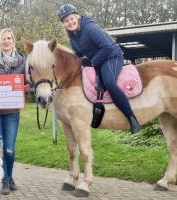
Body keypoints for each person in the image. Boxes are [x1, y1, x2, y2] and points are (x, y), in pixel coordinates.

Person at [58, 4, 141, 134]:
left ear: (77, 17)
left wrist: (92, 62)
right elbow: (78, 53)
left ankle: (132, 118)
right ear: (64, 24)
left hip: (112, 56)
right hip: (97, 60)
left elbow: (107, 47)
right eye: (66, 21)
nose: (70, 22)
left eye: (71, 18)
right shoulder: (72, 36)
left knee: (109, 83)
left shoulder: (90, 28)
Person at [0, 28, 30, 195]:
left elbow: (29, 81)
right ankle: (4, 180)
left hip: (12, 111)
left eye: (9, 38)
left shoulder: (22, 61)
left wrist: (27, 87)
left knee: (10, 149)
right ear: (0, 41)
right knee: (0, 147)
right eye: (3, 39)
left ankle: (10, 176)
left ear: (13, 41)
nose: (6, 41)